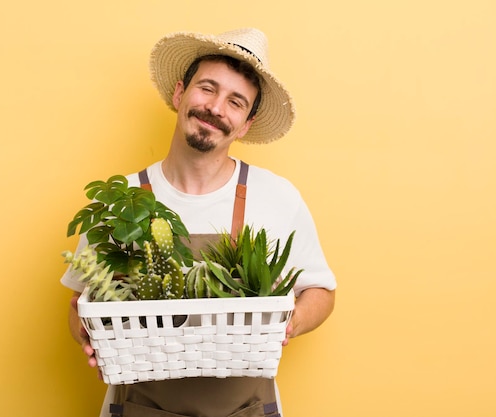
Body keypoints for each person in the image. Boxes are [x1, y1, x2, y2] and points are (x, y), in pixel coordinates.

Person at [61, 28, 337, 417]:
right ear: (179, 94)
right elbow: (78, 305)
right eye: (207, 88)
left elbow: (322, 291)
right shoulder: (119, 199)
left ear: (244, 124)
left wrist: (285, 324)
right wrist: (85, 332)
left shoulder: (276, 196)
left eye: (235, 101)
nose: (216, 108)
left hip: (247, 409)